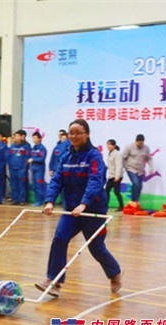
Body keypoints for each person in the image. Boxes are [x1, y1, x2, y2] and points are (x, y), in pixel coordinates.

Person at [36, 119, 122, 298]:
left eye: (78, 133)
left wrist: (84, 203)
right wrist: (50, 201)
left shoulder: (94, 156)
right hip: (71, 210)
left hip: (93, 209)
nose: (73, 136)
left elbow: (96, 181)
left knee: (96, 247)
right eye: (71, 133)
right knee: (59, 238)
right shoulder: (66, 157)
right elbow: (57, 179)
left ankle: (114, 272)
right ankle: (54, 281)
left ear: (87, 134)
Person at [121, 134, 154, 203]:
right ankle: (134, 201)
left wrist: (151, 167)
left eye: (141, 143)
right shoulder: (129, 147)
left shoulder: (146, 148)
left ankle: (136, 201)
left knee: (140, 186)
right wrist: (124, 167)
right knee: (135, 183)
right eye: (139, 143)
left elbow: (149, 159)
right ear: (136, 141)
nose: (140, 145)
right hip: (131, 168)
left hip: (140, 170)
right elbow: (123, 157)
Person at [6, 129, 31, 205]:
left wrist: (24, 168)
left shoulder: (26, 146)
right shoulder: (12, 146)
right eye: (15, 136)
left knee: (21, 185)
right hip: (12, 168)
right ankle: (15, 199)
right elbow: (9, 156)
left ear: (22, 137)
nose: (15, 137)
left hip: (21, 169)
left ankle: (22, 200)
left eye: (17, 136)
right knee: (13, 184)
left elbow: (27, 157)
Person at [28, 131, 47, 206]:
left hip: (39, 170)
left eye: (35, 138)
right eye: (33, 138)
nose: (33, 139)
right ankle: (37, 200)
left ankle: (41, 201)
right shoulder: (33, 148)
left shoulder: (42, 148)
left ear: (39, 139)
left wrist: (33, 160)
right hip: (33, 169)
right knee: (35, 186)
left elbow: (42, 159)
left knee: (40, 186)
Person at [105, 139, 124, 211]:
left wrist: (117, 176)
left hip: (116, 176)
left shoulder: (117, 154)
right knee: (107, 190)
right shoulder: (109, 153)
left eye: (110, 144)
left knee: (116, 191)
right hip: (111, 175)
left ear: (114, 146)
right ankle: (106, 206)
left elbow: (119, 165)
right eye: (107, 144)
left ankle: (121, 206)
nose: (108, 146)